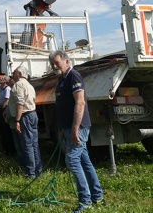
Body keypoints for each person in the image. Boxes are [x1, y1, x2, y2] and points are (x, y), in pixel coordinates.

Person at [49, 50, 105, 213]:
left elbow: (80, 103)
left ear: (66, 61)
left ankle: (85, 201)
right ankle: (97, 197)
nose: (54, 66)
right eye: (52, 63)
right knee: (85, 162)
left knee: (72, 161)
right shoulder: (62, 79)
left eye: (57, 62)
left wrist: (74, 129)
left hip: (78, 127)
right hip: (69, 128)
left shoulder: (74, 76)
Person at [9, 65, 42, 179]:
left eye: (14, 72)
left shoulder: (19, 85)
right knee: (34, 144)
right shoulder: (29, 85)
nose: (13, 73)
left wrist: (17, 120)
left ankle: (30, 173)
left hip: (25, 116)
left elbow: (20, 104)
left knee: (27, 144)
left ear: (19, 73)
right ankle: (38, 170)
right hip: (33, 114)